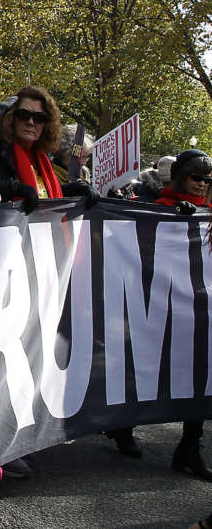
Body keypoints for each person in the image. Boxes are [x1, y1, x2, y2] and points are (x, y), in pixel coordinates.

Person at [107, 149, 212, 476]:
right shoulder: (158, 206)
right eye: (197, 177)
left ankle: (189, 447)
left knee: (199, 373)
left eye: (208, 180)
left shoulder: (209, 212)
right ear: (181, 176)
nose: (202, 185)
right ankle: (124, 428)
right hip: (159, 302)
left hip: (197, 306)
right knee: (147, 366)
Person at [0, 86, 97, 209]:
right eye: (24, 115)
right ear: (12, 117)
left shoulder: (43, 157)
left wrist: (75, 190)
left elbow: (43, 194)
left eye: (39, 118)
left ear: (47, 124)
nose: (31, 122)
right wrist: (13, 188)